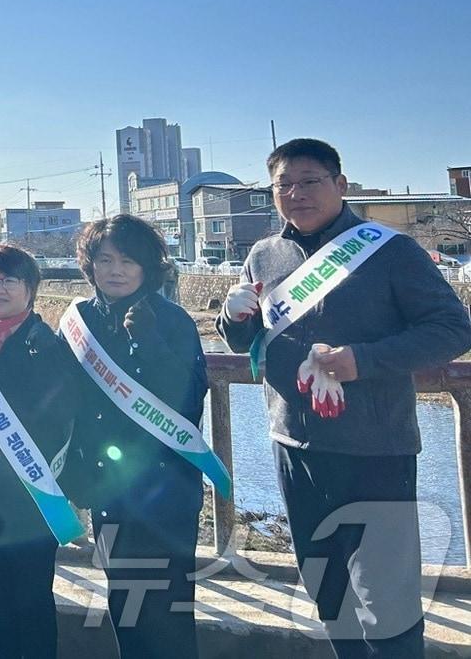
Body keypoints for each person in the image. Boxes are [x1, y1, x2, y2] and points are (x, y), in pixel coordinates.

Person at [218, 138, 471, 657]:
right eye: (284, 185)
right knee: (328, 592)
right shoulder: (263, 254)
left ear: (340, 184)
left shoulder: (390, 250)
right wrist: (231, 317)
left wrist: (365, 359)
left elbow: (453, 328)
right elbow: (245, 342)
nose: (296, 194)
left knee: (389, 601)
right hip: (293, 445)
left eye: (309, 181)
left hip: (375, 448)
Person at [61, 214, 211, 659]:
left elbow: (189, 400)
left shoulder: (171, 320)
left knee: (167, 612)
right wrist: (75, 470)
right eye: (105, 259)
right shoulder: (79, 322)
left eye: (128, 260)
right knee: (124, 603)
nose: (116, 270)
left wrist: (147, 342)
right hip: (108, 486)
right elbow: (64, 401)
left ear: (148, 266)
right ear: (90, 265)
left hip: (166, 488)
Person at [0, 244, 85, 659]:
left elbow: (63, 416)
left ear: (30, 289)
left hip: (32, 496)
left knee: (32, 600)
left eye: (10, 279)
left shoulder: (45, 344)